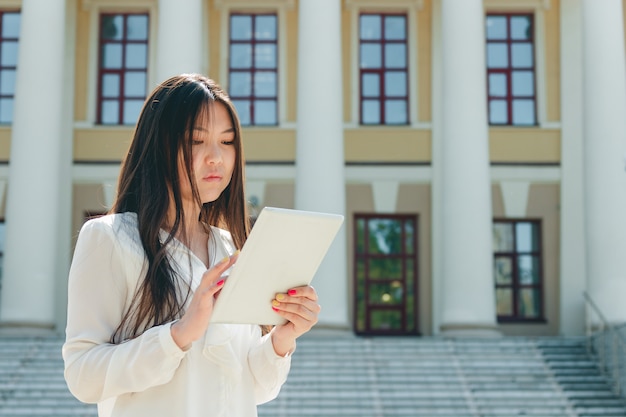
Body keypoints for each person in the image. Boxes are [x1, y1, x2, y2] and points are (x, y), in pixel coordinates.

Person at [62, 73, 320, 417]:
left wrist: (282, 338)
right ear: (158, 145)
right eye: (197, 141)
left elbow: (252, 388)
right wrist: (179, 335)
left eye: (227, 142)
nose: (216, 157)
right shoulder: (110, 238)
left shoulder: (230, 248)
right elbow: (82, 376)